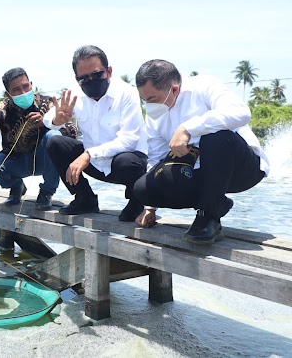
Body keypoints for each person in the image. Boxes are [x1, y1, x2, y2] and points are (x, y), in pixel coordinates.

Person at [133, 59, 270, 244]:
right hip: (200, 174)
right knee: (143, 189)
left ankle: (208, 216)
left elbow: (241, 112)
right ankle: (216, 202)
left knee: (215, 137)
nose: (148, 106)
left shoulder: (204, 85)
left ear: (174, 90)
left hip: (241, 168)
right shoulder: (155, 117)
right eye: (144, 100)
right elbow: (156, 157)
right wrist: (150, 207)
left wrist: (188, 129)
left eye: (152, 99)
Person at [43, 45, 148, 221]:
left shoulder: (127, 93)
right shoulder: (75, 94)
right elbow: (48, 118)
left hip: (126, 165)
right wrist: (57, 120)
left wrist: (89, 154)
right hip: (95, 163)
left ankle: (136, 201)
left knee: (127, 161)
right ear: (77, 79)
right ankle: (84, 198)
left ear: (109, 71)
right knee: (55, 143)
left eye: (97, 74)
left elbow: (129, 139)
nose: (91, 81)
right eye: (84, 78)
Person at [0, 67, 78, 211]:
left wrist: (49, 122)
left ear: (31, 84)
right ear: (8, 94)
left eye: (26, 86)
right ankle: (16, 186)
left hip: (45, 160)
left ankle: (47, 192)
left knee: (53, 138)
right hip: (16, 161)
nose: (23, 92)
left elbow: (72, 133)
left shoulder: (48, 104)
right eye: (16, 90)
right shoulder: (1, 110)